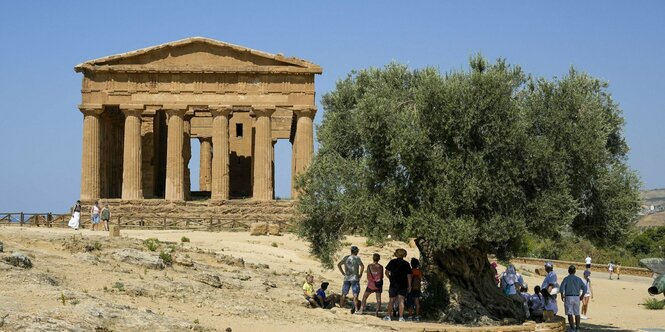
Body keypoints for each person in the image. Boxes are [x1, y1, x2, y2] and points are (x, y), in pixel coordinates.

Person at [383, 248, 412, 322]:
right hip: (403, 284)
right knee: (401, 300)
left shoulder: (392, 262)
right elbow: (409, 276)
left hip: (393, 284)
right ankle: (401, 317)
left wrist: (390, 278)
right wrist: (409, 286)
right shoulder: (406, 264)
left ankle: (388, 316)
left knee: (391, 300)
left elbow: (386, 272)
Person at [560, 265, 587, 332]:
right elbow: (585, 288)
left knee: (570, 313)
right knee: (577, 313)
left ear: (568, 271)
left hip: (568, 297)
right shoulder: (579, 279)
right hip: (576, 297)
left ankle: (572, 328)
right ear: (575, 271)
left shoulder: (566, 279)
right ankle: (577, 328)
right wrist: (582, 295)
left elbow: (561, 288)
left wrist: (562, 295)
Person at [337, 245, 364, 313]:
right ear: (356, 251)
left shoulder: (346, 257)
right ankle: (356, 310)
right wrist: (360, 274)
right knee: (355, 295)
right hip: (355, 278)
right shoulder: (357, 258)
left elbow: (339, 265)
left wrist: (343, 273)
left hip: (347, 278)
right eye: (357, 251)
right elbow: (362, 266)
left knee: (344, 294)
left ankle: (340, 308)